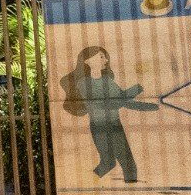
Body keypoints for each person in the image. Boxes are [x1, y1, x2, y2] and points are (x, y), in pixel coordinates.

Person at [60, 46, 157, 182]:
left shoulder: (107, 81)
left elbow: (123, 101)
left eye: (105, 57)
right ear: (87, 61)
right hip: (100, 127)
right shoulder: (83, 84)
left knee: (127, 164)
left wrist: (152, 107)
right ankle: (88, 183)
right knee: (108, 163)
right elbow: (112, 103)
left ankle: (132, 190)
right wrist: (139, 87)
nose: (105, 60)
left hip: (115, 125)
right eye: (101, 56)